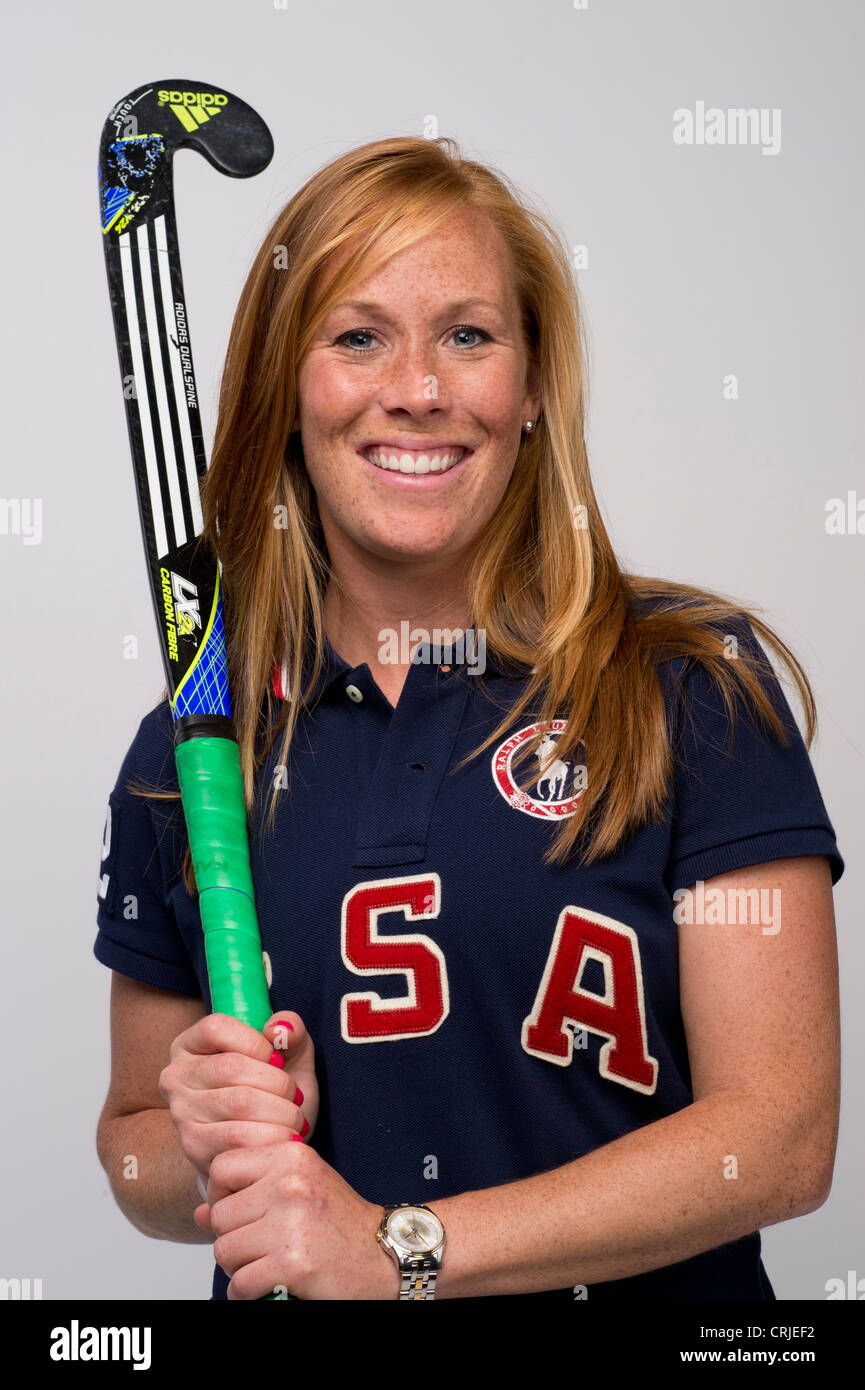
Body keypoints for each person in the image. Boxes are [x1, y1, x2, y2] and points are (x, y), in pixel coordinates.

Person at [94, 135, 843, 1301]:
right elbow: (132, 1142)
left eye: (467, 335)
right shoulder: (194, 746)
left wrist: (402, 1249)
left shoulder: (688, 686)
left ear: (533, 384)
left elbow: (781, 1140)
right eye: (356, 336)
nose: (418, 389)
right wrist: (202, 1133)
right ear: (287, 390)